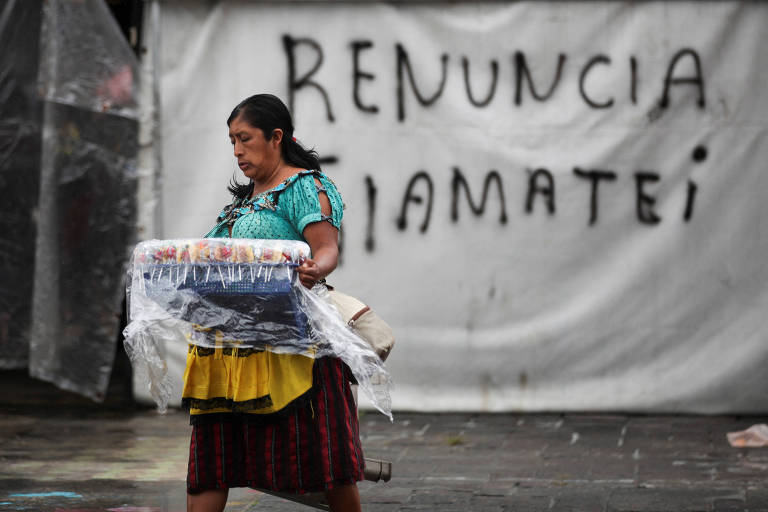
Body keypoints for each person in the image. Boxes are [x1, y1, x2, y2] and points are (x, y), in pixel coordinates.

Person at [184, 94, 364, 512]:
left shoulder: (304, 187)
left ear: (276, 136)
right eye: (231, 141)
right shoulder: (243, 202)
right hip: (226, 351)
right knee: (211, 465)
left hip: (292, 349)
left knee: (324, 464)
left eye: (244, 139)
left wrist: (315, 269)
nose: (236, 151)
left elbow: (326, 250)